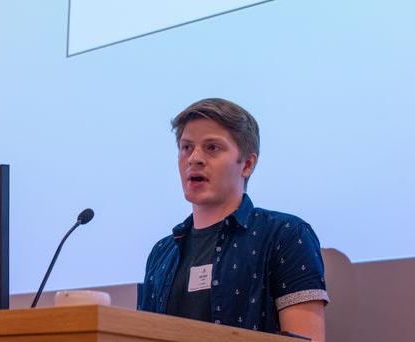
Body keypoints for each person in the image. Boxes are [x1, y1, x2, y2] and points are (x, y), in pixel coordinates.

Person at [137, 98, 328, 341]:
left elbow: (306, 338)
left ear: (247, 164)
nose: (194, 158)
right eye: (186, 147)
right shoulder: (162, 253)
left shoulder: (285, 234)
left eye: (212, 147)